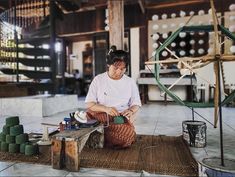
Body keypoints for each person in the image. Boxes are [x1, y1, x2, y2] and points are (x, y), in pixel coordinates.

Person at [85, 46, 141, 149]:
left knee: (125, 137)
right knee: (80, 123)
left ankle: (98, 137)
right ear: (108, 65)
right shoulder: (99, 80)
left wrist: (131, 111)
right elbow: (89, 104)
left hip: (118, 118)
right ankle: (99, 135)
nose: (119, 72)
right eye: (116, 68)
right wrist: (106, 109)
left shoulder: (130, 82)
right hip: (99, 116)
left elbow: (136, 103)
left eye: (122, 69)